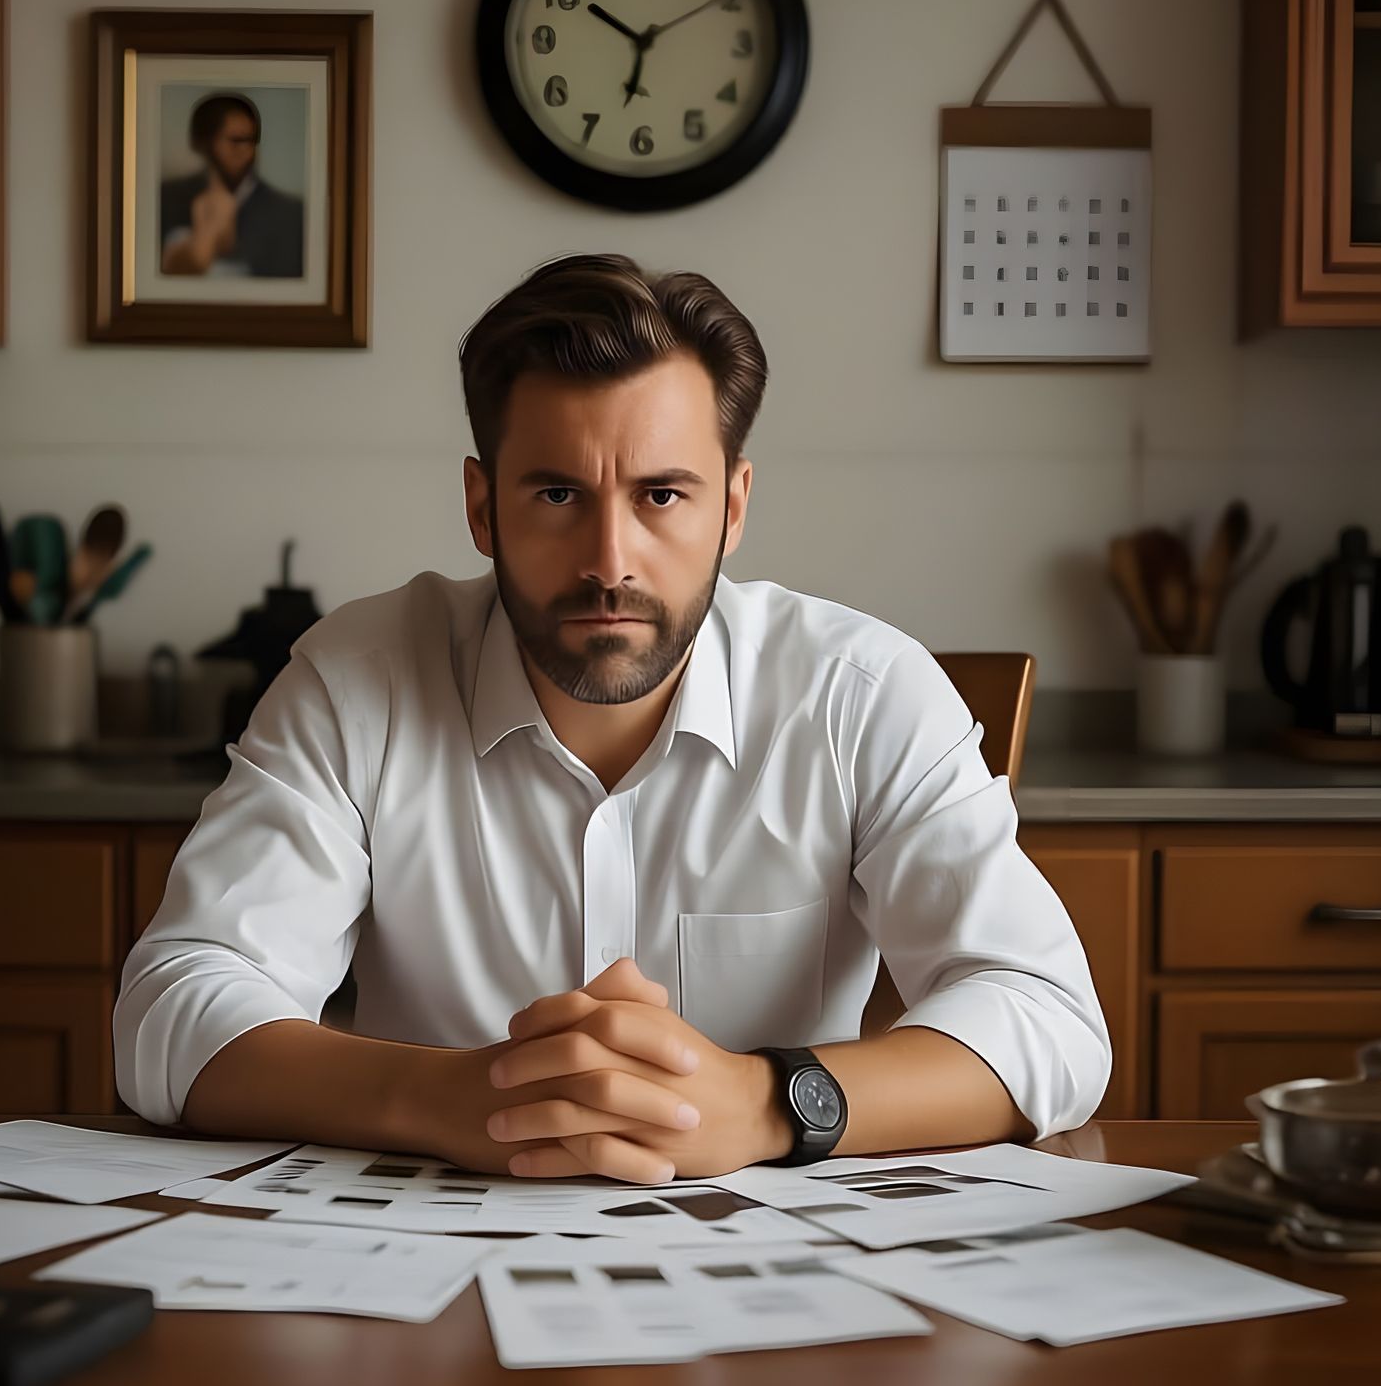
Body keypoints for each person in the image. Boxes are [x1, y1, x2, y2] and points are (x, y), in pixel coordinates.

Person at [113, 254, 1110, 1185]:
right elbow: (171, 1006)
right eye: (556, 492)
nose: (610, 559)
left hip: (775, 1288)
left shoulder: (864, 692)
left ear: (732, 506)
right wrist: (455, 1096)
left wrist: (767, 1102)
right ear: (481, 505)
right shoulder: (355, 680)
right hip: (428, 1284)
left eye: (662, 494)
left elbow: (1049, 1019)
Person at [159, 92, 304, 279]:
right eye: (236, 141)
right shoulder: (167, 197)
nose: (247, 150)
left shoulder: (290, 213)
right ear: (204, 142)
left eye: (252, 140)